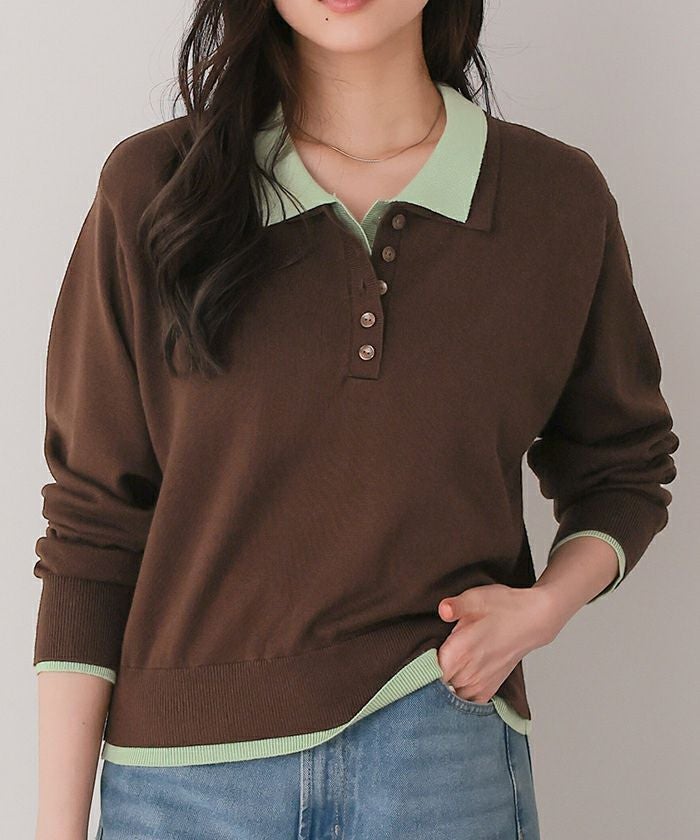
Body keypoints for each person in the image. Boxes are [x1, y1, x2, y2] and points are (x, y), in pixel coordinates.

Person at [33, 2, 679, 839]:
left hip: (439, 759)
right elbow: (93, 529)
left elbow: (624, 466)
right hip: (187, 787)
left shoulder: (554, 199)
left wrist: (545, 606)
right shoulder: (154, 188)